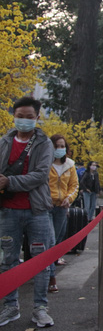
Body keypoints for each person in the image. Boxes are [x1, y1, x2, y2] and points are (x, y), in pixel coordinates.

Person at [0, 97, 55, 328]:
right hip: (8, 211)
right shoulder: (4, 141)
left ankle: (40, 308)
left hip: (37, 211)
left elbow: (40, 175)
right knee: (7, 261)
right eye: (20, 116)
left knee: (41, 261)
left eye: (29, 117)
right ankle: (10, 307)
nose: (24, 121)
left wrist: (9, 181)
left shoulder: (44, 143)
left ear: (37, 118)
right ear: (14, 116)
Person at [48, 134, 79, 293]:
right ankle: (50, 277)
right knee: (49, 241)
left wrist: (69, 198)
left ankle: (47, 272)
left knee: (57, 241)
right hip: (45, 207)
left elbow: (74, 186)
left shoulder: (70, 165)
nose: (59, 149)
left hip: (61, 208)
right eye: (56, 146)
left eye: (62, 146)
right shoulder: (44, 163)